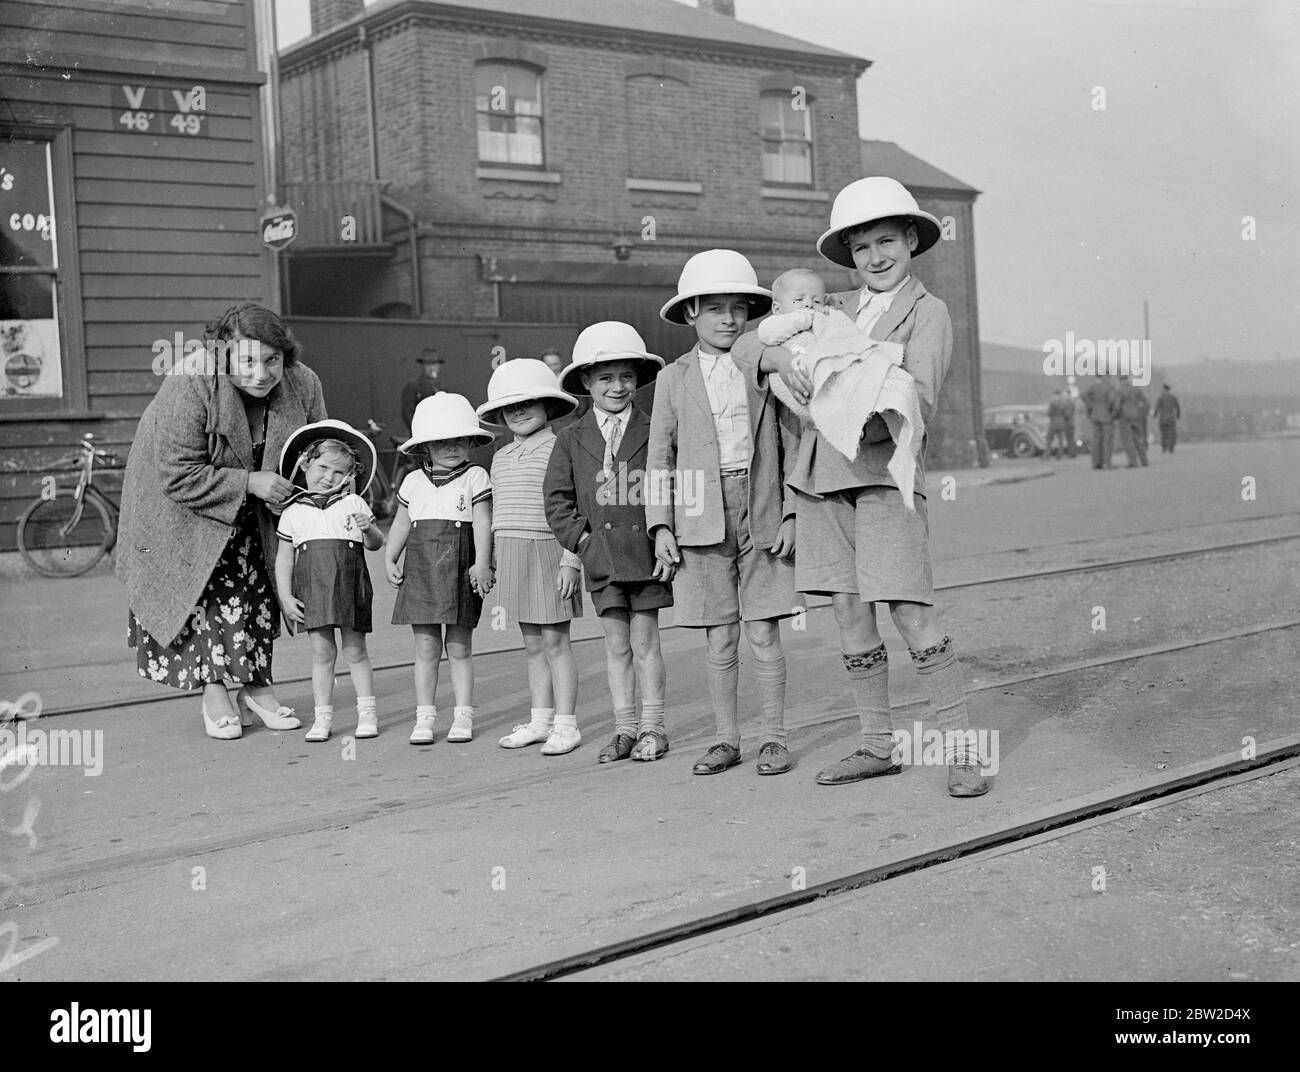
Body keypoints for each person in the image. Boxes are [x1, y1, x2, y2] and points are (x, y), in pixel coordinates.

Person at [761, 176, 988, 797]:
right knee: (848, 610)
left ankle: (965, 751)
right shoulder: (828, 305)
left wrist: (845, 393)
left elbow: (918, 397)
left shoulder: (929, 313)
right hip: (820, 480)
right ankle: (876, 745)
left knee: (910, 611)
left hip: (886, 478)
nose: (876, 258)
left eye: (887, 242)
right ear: (848, 256)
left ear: (911, 240)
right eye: (862, 249)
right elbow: (749, 350)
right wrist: (779, 360)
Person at [117, 303, 326, 740]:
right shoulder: (190, 380)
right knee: (205, 596)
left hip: (259, 512)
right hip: (181, 509)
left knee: (255, 592)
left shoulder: (303, 383)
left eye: (273, 360)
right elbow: (176, 474)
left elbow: (319, 448)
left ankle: (256, 687)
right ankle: (212, 690)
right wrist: (249, 482)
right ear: (223, 354)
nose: (262, 373)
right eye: (247, 360)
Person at [649, 250, 799, 776]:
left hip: (761, 507)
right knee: (721, 633)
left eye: (739, 308)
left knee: (763, 629)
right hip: (699, 513)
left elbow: (791, 439)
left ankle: (774, 738)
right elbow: (659, 457)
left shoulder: (765, 362)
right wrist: (661, 524)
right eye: (715, 308)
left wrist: (791, 512)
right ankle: (726, 739)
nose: (729, 319)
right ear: (690, 312)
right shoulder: (674, 377)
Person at [544, 322, 674, 763]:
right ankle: (625, 730)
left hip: (646, 556)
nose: (617, 387)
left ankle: (654, 728)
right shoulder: (569, 439)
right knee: (616, 646)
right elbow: (557, 502)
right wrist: (583, 543)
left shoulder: (657, 428)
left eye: (626, 377)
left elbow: (672, 486)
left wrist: (663, 534)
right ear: (585, 382)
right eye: (605, 378)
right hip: (601, 559)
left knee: (646, 644)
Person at [475, 359, 586, 756]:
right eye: (510, 406)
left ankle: (567, 725)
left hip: (550, 551)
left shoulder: (561, 445)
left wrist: (571, 560)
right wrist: (489, 560)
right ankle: (540, 721)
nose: (519, 412)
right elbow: (495, 514)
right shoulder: (501, 456)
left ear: (549, 406)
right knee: (533, 646)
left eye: (529, 402)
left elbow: (575, 506)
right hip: (512, 551)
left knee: (556, 644)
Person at [385, 392, 495, 745]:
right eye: (442, 442)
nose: (452, 448)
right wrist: (390, 556)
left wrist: (482, 563)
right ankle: (425, 718)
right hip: (421, 571)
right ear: (425, 447)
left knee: (460, 647)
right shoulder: (413, 482)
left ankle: (462, 716)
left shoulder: (476, 476)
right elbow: (401, 524)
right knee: (426, 648)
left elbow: (482, 522)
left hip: (460, 568)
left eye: (460, 440)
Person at [274, 421, 384, 743]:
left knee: (355, 651)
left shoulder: (353, 504)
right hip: (313, 590)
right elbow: (284, 558)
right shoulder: (293, 511)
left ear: (349, 477)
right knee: (322, 653)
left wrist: (369, 529)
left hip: (350, 586)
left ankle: (367, 713)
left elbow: (375, 544)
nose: (328, 478)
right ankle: (322, 718)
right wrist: (285, 594)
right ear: (306, 464)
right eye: (322, 467)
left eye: (338, 473)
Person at [1079, 372, 1119, 469]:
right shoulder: (1109, 386)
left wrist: (1091, 406)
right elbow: (1112, 400)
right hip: (1106, 416)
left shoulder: (1093, 386)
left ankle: (1096, 463)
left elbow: (1083, 395)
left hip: (1095, 416)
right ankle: (1106, 463)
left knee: (1096, 440)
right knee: (1107, 440)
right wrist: (1112, 411)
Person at [400, 349, 444, 432]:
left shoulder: (441, 386)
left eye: (435, 364)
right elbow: (408, 413)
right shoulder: (413, 386)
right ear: (422, 366)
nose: (432, 368)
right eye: (428, 364)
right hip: (422, 433)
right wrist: (419, 430)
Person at [1116, 379, 1150, 467]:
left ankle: (1133, 462)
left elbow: (1117, 406)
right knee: (1139, 439)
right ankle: (1144, 461)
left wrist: (1115, 416)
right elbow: (1146, 403)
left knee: (1127, 440)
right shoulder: (1136, 389)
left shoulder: (1120, 391)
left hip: (1125, 417)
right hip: (1137, 416)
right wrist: (1142, 414)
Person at [1047, 388, 1075, 459]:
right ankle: (1060, 454)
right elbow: (1066, 414)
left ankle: (1047, 454)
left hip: (1053, 423)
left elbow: (1049, 413)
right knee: (1060, 441)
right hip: (1061, 423)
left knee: (1049, 440)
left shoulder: (1052, 402)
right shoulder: (1063, 403)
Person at [1154, 382, 1181, 452]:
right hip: (1171, 418)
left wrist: (1155, 414)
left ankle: (1164, 446)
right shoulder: (1173, 397)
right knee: (1171, 433)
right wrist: (1178, 415)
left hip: (1163, 419)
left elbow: (1157, 407)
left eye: (1162, 390)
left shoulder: (1161, 398)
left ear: (1165, 390)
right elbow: (1177, 407)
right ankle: (1171, 446)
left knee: (1164, 433)